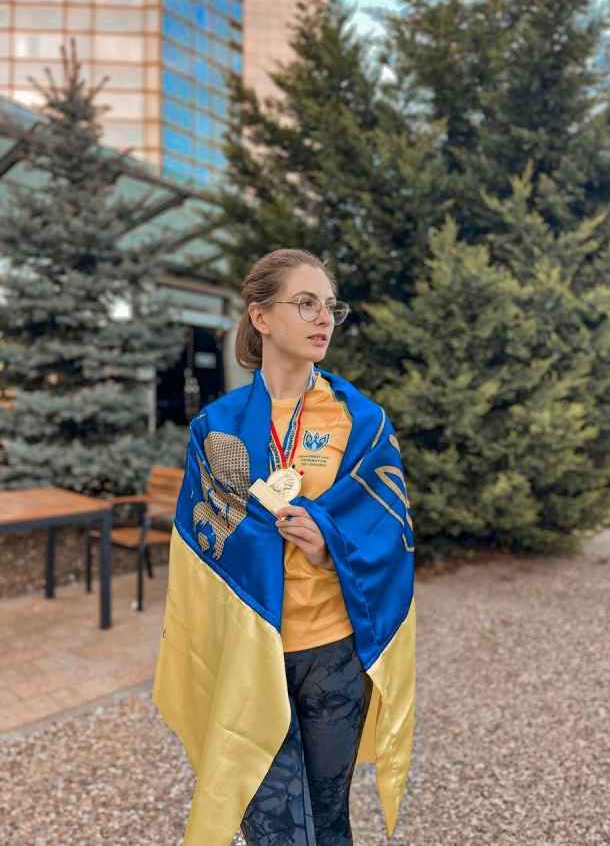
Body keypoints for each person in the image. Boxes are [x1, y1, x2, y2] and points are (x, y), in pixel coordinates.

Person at [153, 249, 416, 846]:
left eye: (330, 307)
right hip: (248, 654)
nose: (323, 318)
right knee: (270, 825)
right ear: (261, 317)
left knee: (328, 819)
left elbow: (391, 532)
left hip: (331, 652)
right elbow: (199, 549)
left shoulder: (361, 420)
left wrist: (331, 544)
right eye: (305, 303)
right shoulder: (215, 426)